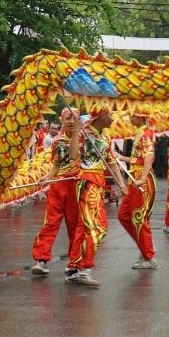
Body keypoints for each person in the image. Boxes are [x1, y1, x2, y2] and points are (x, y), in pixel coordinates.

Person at [65, 109, 127, 287]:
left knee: (83, 228)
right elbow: (73, 155)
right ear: (102, 116)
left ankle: (73, 270)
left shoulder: (105, 137)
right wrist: (76, 131)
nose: (113, 118)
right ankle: (85, 269)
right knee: (98, 226)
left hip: (99, 183)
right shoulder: (85, 132)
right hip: (86, 182)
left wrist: (121, 184)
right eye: (110, 115)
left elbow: (112, 161)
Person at [30, 109, 81, 276]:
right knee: (50, 223)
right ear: (61, 120)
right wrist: (46, 177)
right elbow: (56, 165)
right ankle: (42, 260)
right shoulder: (57, 142)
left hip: (76, 185)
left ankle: (75, 262)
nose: (72, 121)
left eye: (75, 119)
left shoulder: (85, 139)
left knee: (75, 225)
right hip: (58, 185)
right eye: (68, 118)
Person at [116, 111, 159, 269]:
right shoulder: (141, 133)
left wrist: (142, 178)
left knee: (139, 218)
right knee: (124, 216)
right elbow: (139, 158)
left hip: (141, 180)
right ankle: (145, 247)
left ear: (141, 117)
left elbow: (148, 156)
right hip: (135, 178)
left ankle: (149, 257)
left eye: (132, 115)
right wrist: (122, 158)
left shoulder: (146, 133)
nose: (130, 118)